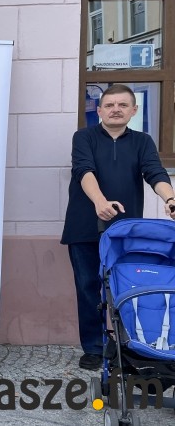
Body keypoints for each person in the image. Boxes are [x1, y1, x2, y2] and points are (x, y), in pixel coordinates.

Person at [61, 83, 175, 371]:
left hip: (125, 232)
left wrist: (170, 199)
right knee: (88, 288)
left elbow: (155, 172)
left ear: (133, 110)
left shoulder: (142, 141)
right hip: (84, 226)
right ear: (99, 111)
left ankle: (130, 345)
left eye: (122, 105)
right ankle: (94, 348)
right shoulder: (84, 137)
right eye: (109, 105)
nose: (116, 109)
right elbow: (83, 170)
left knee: (127, 287)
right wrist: (99, 202)